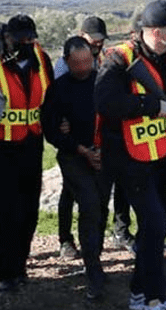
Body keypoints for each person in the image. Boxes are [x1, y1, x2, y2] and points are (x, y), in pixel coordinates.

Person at [94, 0, 166, 310]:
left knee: (158, 228)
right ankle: (156, 298)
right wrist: (150, 106)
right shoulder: (119, 59)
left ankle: (138, 291)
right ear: (156, 33)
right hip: (130, 158)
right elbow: (105, 102)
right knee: (154, 225)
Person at [0, 14, 54, 292]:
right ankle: (7, 274)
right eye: (19, 40)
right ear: (7, 37)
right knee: (9, 213)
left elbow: (51, 99)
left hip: (32, 146)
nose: (25, 44)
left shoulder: (40, 59)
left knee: (30, 212)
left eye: (29, 39)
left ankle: (20, 267)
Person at [42, 36, 110, 300]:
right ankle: (92, 269)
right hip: (74, 157)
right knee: (89, 205)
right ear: (67, 61)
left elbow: (115, 117)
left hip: (104, 156)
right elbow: (51, 130)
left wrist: (102, 151)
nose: (83, 67)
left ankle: (97, 256)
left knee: (102, 207)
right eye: (77, 63)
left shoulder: (103, 82)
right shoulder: (58, 89)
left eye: (87, 62)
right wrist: (80, 149)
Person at [51, 16, 113, 258]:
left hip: (97, 137)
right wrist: (63, 122)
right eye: (93, 40)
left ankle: (94, 245)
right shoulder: (64, 66)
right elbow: (60, 101)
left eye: (100, 41)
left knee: (98, 195)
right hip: (73, 141)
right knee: (70, 192)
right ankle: (66, 240)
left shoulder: (102, 59)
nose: (97, 44)